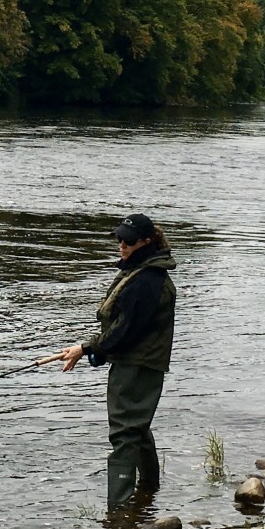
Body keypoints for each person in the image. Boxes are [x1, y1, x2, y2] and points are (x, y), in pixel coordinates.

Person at [57, 213, 177, 510]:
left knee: (125, 432)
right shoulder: (143, 271)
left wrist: (87, 348)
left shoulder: (146, 280)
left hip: (138, 366)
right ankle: (148, 491)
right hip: (141, 362)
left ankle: (118, 512)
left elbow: (126, 330)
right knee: (137, 427)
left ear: (147, 242)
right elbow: (126, 330)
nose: (122, 245)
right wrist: (95, 349)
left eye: (129, 241)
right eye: (120, 239)